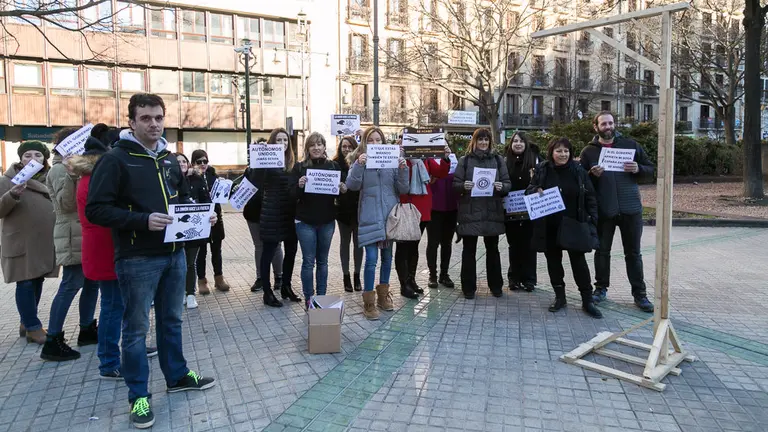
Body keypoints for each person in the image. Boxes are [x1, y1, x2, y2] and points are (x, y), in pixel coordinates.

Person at [86, 93, 215, 429]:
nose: (154, 124)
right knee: (136, 329)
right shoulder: (115, 160)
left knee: (172, 320)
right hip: (137, 258)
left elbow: (183, 199)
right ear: (131, 122)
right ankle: (139, 396)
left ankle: (176, 376)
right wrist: (142, 221)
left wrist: (202, 218)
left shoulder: (171, 160)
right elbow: (96, 210)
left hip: (174, 256)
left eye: (158, 117)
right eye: (146, 118)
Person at [579, 111, 655, 313]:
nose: (608, 127)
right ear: (596, 127)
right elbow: (581, 181)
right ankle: (601, 289)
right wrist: (591, 174)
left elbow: (651, 170)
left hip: (631, 208)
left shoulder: (631, 145)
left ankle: (640, 294)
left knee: (634, 253)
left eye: (610, 123)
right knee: (602, 252)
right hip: (605, 210)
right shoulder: (589, 151)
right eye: (603, 124)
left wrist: (638, 168)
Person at [39, 128, 100, 361]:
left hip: (85, 232)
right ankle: (53, 340)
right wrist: (71, 174)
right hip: (70, 234)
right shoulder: (58, 169)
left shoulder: (81, 167)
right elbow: (65, 204)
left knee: (92, 283)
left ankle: (86, 328)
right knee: (71, 284)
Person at [527, 137, 602, 319]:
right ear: (551, 152)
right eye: (559, 151)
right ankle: (560, 297)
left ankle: (587, 300)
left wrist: (593, 219)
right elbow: (529, 190)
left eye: (566, 151)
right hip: (550, 225)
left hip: (574, 224)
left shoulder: (578, 170)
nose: (563, 154)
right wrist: (535, 190)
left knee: (579, 263)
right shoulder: (542, 169)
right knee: (553, 263)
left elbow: (590, 195)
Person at [345, 127, 409, 320]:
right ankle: (369, 302)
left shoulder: (391, 160)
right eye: (370, 140)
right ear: (365, 142)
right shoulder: (359, 160)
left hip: (389, 217)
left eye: (378, 140)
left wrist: (403, 169)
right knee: (371, 259)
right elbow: (352, 185)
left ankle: (383, 296)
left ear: (383, 142)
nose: (374, 143)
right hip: (370, 216)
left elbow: (403, 188)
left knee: (387, 258)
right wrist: (358, 165)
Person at [0, 141, 58, 344]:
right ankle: (33, 326)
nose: (32, 159)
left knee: (37, 279)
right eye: (27, 155)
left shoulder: (50, 178)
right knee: (24, 282)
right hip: (21, 241)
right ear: (20, 158)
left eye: (38, 155)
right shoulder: (7, 181)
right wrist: (12, 195)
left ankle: (27, 322)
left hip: (42, 242)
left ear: (44, 159)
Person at [452, 128, 512, 299]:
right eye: (480, 140)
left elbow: (507, 183)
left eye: (486, 140)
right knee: (468, 250)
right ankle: (468, 288)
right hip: (470, 211)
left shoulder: (498, 160)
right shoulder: (465, 161)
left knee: (493, 250)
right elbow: (455, 185)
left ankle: (496, 286)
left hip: (491, 210)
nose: (483, 143)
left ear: (490, 142)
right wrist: (464, 186)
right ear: (474, 141)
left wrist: (502, 187)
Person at [246, 127, 301, 307]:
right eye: (279, 140)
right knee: (268, 251)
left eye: (285, 140)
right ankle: (268, 292)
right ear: (272, 142)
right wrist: (257, 157)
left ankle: (286, 286)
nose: (283, 144)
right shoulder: (266, 161)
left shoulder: (294, 163)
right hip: (271, 212)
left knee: (291, 250)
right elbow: (253, 180)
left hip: (289, 213)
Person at [294, 132, 345, 309]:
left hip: (327, 221)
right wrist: (299, 186)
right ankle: (309, 298)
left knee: (323, 261)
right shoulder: (300, 167)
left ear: (324, 147)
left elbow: (340, 193)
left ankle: (321, 298)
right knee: (308, 261)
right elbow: (291, 194)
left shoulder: (333, 166)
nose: (316, 148)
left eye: (319, 144)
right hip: (305, 222)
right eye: (312, 145)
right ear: (307, 148)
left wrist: (342, 188)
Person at [394, 140, 450, 298]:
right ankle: (404, 284)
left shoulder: (425, 157)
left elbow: (440, 172)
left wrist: (445, 158)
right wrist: (399, 154)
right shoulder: (399, 156)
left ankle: (411, 280)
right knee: (403, 247)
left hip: (423, 208)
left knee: (414, 245)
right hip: (406, 206)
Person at [503, 131, 540, 292]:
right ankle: (514, 278)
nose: (518, 144)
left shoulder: (536, 160)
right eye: (515, 141)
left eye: (521, 141)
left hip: (530, 211)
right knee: (514, 244)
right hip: (511, 210)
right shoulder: (505, 161)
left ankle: (529, 279)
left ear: (526, 143)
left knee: (529, 245)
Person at [189, 149, 229, 294]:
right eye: (199, 161)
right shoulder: (191, 178)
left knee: (216, 250)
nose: (202, 164)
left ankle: (219, 278)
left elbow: (223, 195)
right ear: (193, 163)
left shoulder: (213, 175)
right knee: (201, 252)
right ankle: (202, 280)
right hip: (200, 219)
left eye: (205, 161)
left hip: (216, 218)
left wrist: (222, 190)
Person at [176, 153, 212, 309]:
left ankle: (190, 293)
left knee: (190, 263)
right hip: (174, 230)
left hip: (193, 229)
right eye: (178, 162)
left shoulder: (197, 180)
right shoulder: (166, 181)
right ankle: (180, 293)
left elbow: (207, 202)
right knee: (178, 264)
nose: (182, 164)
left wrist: (212, 214)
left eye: (184, 161)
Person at [333, 136, 362, 292]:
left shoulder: (360, 162)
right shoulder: (335, 164)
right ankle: (346, 276)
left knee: (359, 244)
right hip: (342, 211)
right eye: (344, 146)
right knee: (345, 243)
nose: (347, 149)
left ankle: (357, 275)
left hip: (359, 209)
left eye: (350, 146)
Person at [243, 184, 284, 293]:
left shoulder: (279, 169)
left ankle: (279, 277)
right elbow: (244, 190)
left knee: (276, 246)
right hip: (254, 213)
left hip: (275, 212)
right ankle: (260, 278)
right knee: (259, 246)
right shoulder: (251, 171)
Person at [426, 163, 459, 289]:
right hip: (434, 207)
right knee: (433, 243)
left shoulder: (453, 160)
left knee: (447, 243)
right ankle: (432, 275)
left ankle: (444, 274)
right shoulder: (429, 160)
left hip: (451, 207)